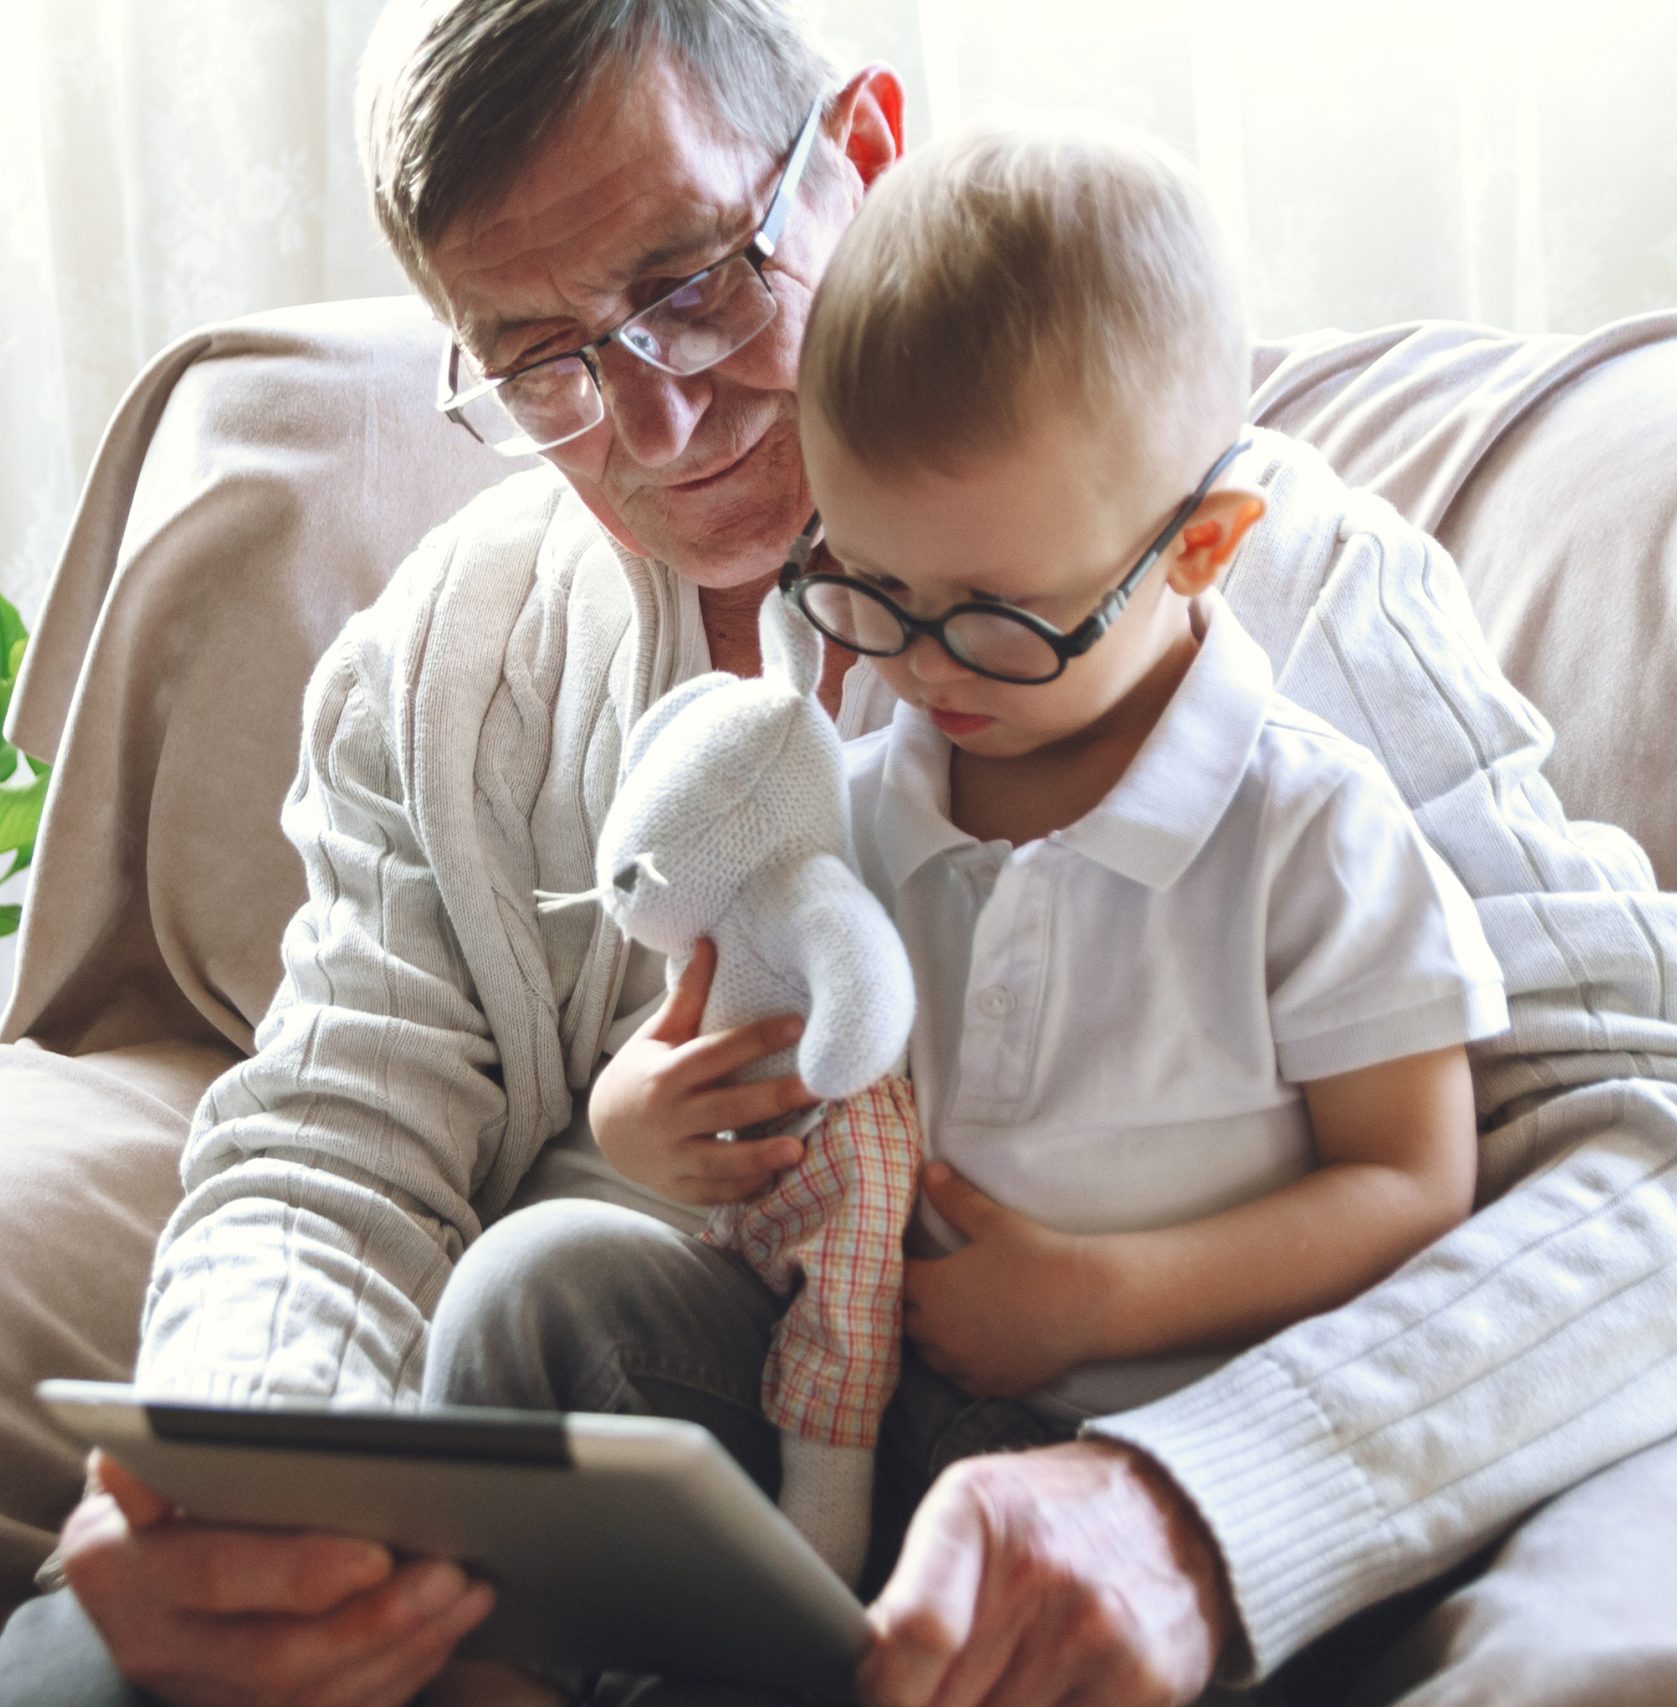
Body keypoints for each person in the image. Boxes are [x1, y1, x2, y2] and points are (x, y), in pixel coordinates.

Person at [0, 3, 1677, 1705]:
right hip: (629, 1473)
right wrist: (251, 1459)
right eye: (540, 362)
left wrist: (1197, 1509)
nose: (656, 424)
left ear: (860, 149)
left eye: (690, 281)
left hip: (1074, 1478)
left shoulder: (1257, 588)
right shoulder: (441, 669)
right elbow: (326, 1143)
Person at [427, 113, 1523, 1700]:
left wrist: (1101, 1295)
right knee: (536, 1290)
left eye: (996, 617)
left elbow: (1413, 1183)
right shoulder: (863, 801)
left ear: (1200, 549)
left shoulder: (1308, 829)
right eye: (868, 589)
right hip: (855, 1419)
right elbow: (783, 1128)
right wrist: (655, 1124)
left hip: (1151, 1470)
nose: (922, 670)